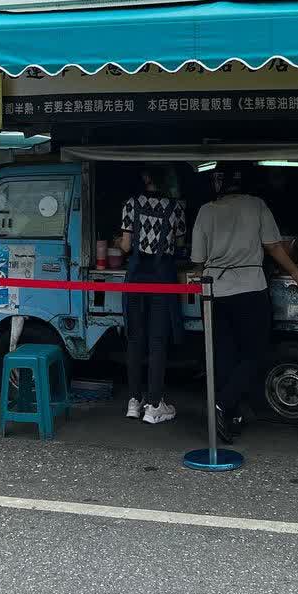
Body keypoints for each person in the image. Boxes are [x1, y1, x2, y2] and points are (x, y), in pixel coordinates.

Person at [191, 166, 298, 441]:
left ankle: (230, 416)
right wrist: (295, 271)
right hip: (249, 289)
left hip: (214, 291)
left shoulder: (205, 210)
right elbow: (273, 245)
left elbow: (197, 259)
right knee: (256, 353)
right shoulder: (256, 205)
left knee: (224, 356)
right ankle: (222, 405)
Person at [120, 168, 187, 425]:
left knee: (135, 338)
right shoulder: (175, 207)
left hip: (136, 275)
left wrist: (120, 241)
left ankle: (134, 401)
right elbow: (179, 244)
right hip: (162, 277)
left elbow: (126, 246)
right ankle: (154, 404)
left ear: (145, 178)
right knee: (157, 340)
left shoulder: (131, 204)